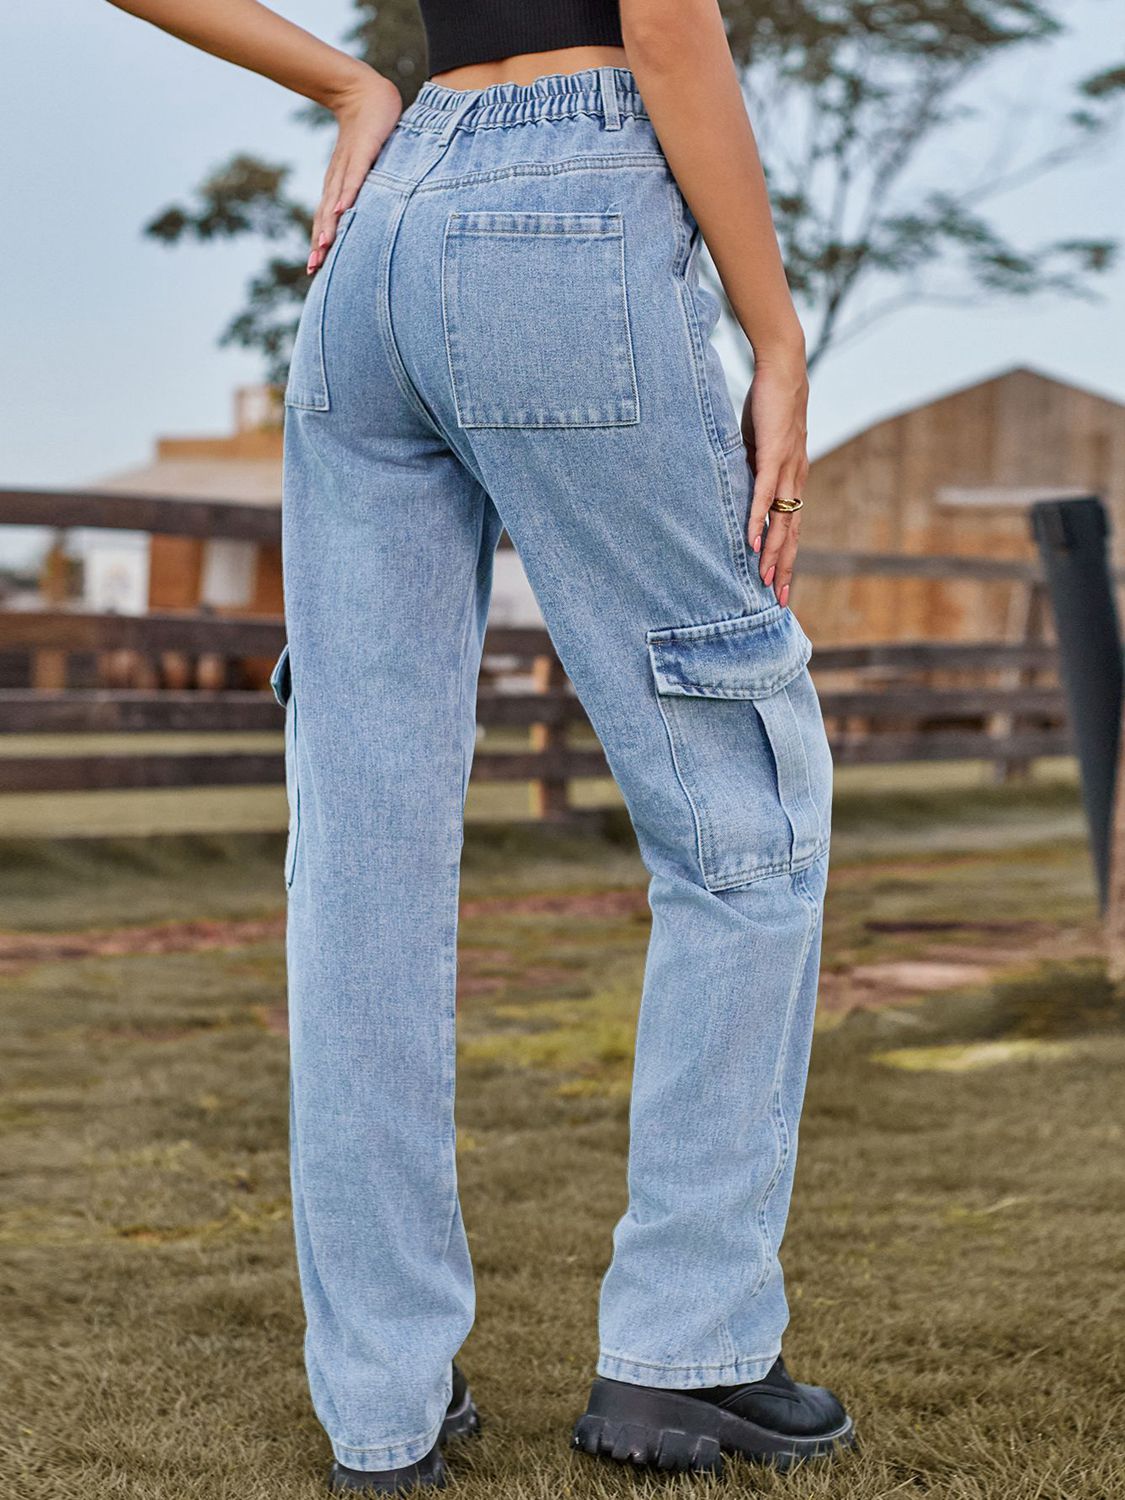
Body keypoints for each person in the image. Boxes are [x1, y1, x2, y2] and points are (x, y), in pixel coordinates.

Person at [107, 0, 854, 1491]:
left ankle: (379, 1416)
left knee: (361, 858)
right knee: (739, 816)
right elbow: (667, 32)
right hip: (572, 212)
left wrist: (343, 84)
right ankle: (685, 1357)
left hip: (381, 237)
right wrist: (775, 334)